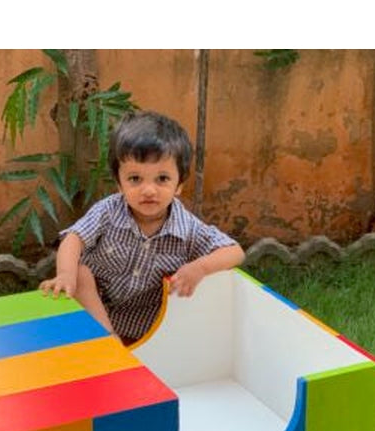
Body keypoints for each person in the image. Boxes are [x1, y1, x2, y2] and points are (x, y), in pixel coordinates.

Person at [39, 110, 245, 343]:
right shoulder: (108, 211)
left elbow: (234, 251)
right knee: (80, 270)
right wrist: (66, 275)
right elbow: (74, 238)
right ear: (119, 183)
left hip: (145, 324)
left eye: (162, 179)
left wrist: (200, 267)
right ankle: (106, 338)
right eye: (135, 179)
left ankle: (120, 343)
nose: (149, 190)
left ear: (179, 185)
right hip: (95, 309)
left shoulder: (186, 227)